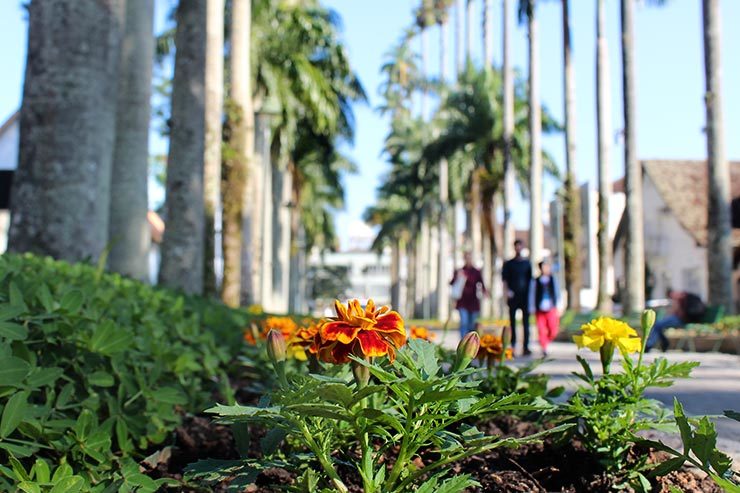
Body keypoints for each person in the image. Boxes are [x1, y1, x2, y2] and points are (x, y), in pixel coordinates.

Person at [502, 239, 533, 356]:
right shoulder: (509, 264)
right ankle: (513, 345)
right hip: (513, 298)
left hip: (525, 298)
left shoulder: (527, 264)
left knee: (526, 323)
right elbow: (504, 280)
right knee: (512, 322)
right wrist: (507, 292)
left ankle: (526, 346)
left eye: (520, 246)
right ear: (514, 248)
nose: (518, 248)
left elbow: (531, 281)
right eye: (516, 246)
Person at [450, 251, 488, 338]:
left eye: (469, 258)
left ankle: (470, 344)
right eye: (466, 258)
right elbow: (452, 283)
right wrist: (457, 276)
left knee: (472, 325)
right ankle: (463, 342)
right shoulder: (460, 271)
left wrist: (485, 292)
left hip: (473, 302)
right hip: (462, 302)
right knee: (464, 323)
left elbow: (481, 283)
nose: (468, 260)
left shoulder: (476, 271)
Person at [529, 260, 559, 357]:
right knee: (541, 329)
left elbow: (558, 293)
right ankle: (544, 346)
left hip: (551, 308)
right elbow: (532, 294)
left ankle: (546, 341)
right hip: (539, 309)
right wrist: (532, 307)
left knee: (553, 329)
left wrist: (559, 306)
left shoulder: (553, 279)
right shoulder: (535, 281)